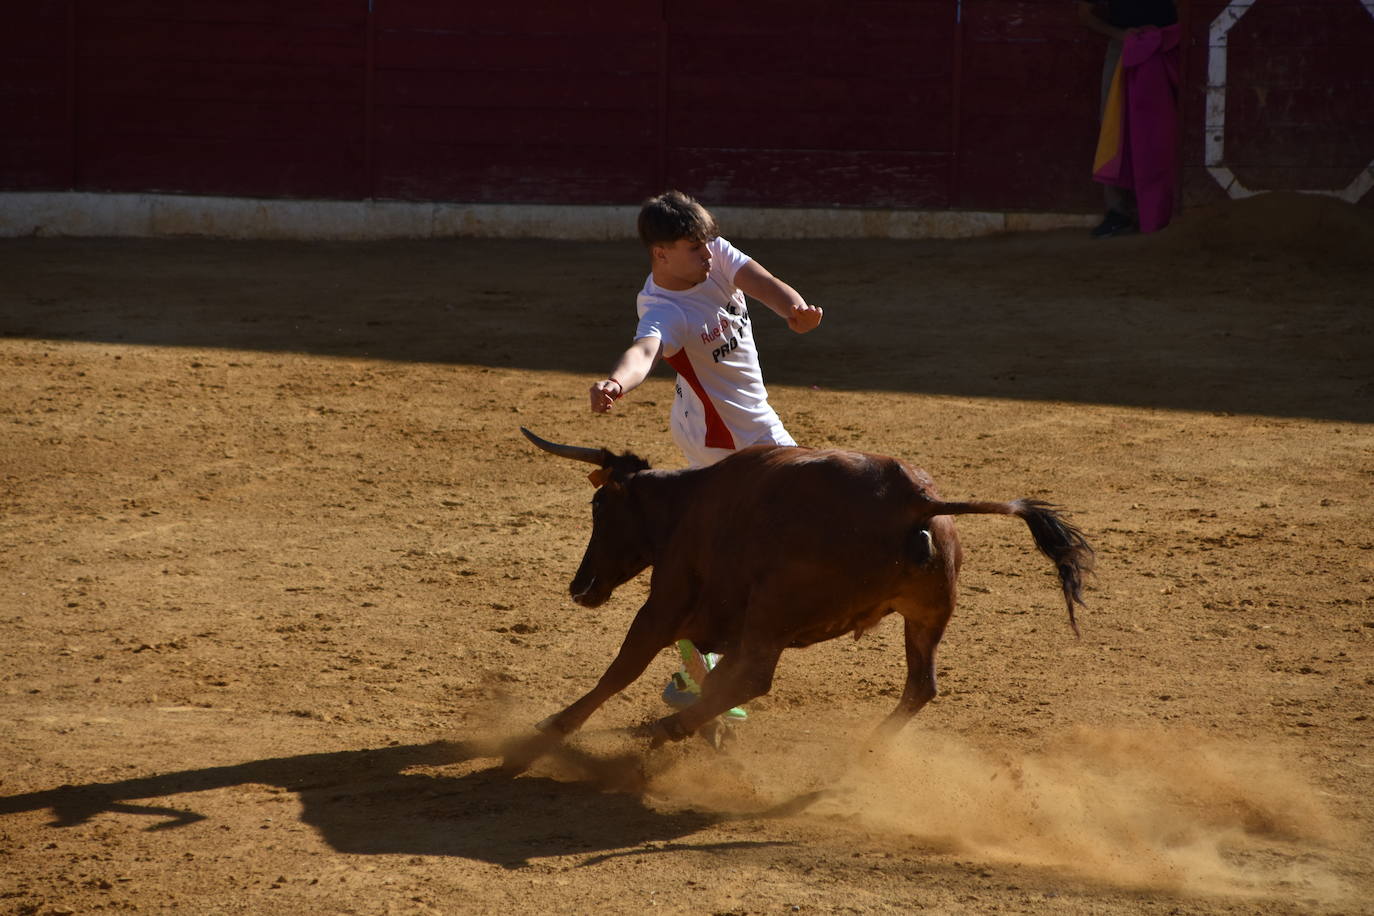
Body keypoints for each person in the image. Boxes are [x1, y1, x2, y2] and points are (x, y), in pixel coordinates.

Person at [588, 189, 823, 727]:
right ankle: (697, 666)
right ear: (660, 254)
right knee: (758, 544)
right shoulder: (663, 308)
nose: (707, 253)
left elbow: (760, 280)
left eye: (707, 242)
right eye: (693, 248)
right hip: (716, 439)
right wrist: (615, 384)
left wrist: (793, 309)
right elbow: (644, 351)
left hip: (752, 422)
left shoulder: (713, 256)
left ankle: (701, 662)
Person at [1077, 0, 1179, 238]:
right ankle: (1119, 212)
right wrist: (1120, 34)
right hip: (1124, 48)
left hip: (1168, 46)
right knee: (1114, 126)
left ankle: (1165, 209)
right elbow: (1084, 14)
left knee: (1163, 130)